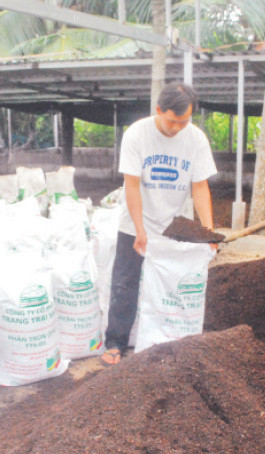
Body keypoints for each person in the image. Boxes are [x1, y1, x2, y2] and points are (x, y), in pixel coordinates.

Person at [100, 82, 217, 365]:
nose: (177, 128)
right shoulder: (137, 134)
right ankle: (115, 342)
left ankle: (169, 340)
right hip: (135, 224)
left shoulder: (196, 139)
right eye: (172, 121)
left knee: (173, 283)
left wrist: (208, 232)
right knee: (125, 283)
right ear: (158, 110)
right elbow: (132, 185)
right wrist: (140, 230)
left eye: (184, 121)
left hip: (174, 228)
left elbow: (200, 187)